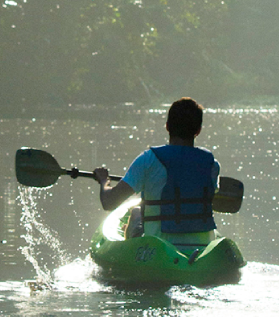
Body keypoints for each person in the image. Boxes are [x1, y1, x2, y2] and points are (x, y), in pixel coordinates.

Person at [91, 97, 220, 249]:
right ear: (198, 130)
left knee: (136, 213)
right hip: (202, 249)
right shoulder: (211, 165)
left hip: (159, 249)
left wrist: (104, 181)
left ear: (167, 127)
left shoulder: (149, 160)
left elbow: (109, 202)